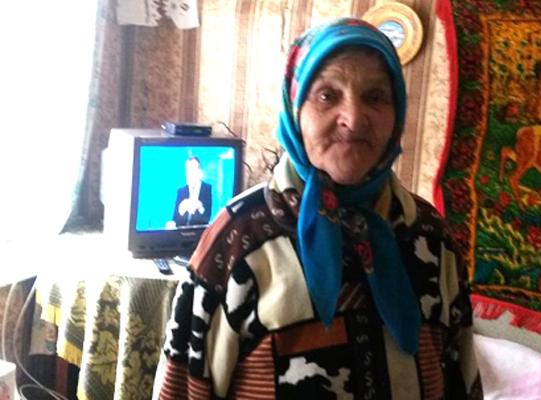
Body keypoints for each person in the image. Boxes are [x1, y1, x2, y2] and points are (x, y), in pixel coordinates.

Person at [158, 17, 482, 399]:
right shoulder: (237, 239)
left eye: (375, 97)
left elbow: (461, 376)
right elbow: (183, 387)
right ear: (295, 109)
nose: (354, 119)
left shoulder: (431, 238)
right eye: (327, 96)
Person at [172, 156, 213, 227]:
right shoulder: (181, 191)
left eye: (193, 171)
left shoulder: (207, 189)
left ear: (199, 172)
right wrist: (182, 209)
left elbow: (207, 218)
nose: (190, 175)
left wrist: (199, 207)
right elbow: (175, 220)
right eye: (188, 171)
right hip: (182, 232)